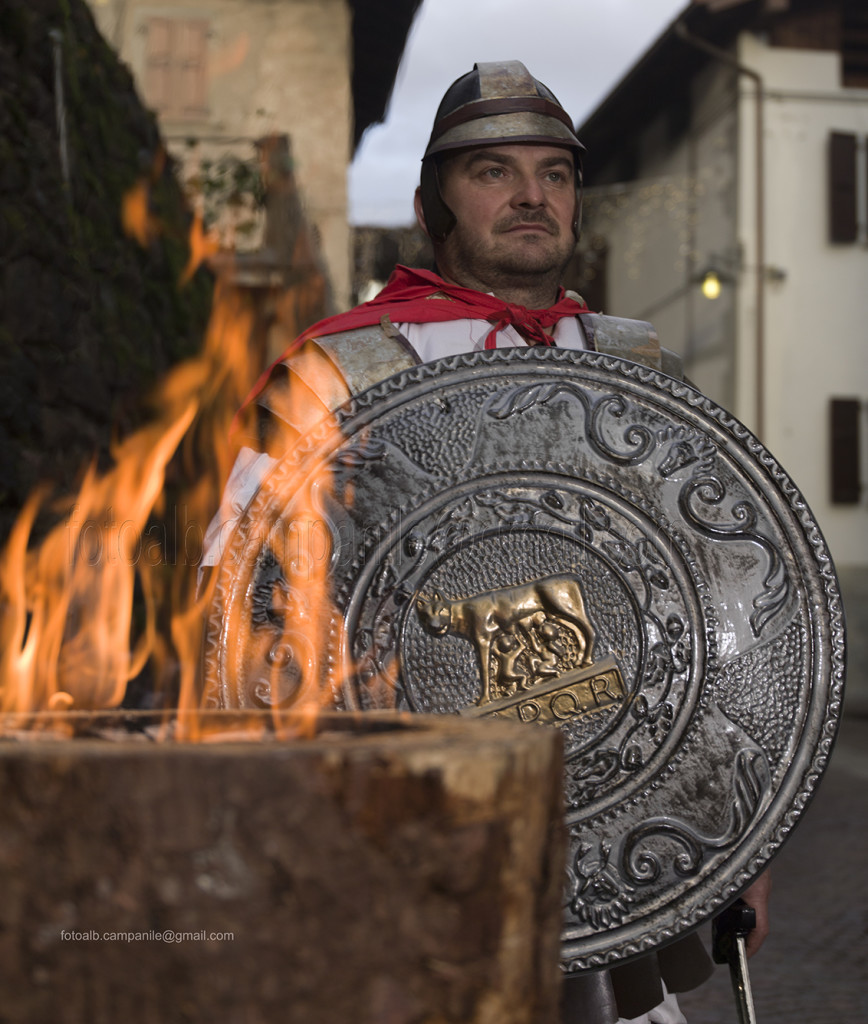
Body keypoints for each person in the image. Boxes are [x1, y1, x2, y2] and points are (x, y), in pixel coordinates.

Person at [204, 60, 770, 1024]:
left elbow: (727, 612)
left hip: (610, 827)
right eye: (493, 172)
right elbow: (243, 598)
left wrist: (745, 834)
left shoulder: (638, 368)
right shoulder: (341, 369)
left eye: (554, 174)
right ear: (434, 205)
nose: (529, 197)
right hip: (406, 833)